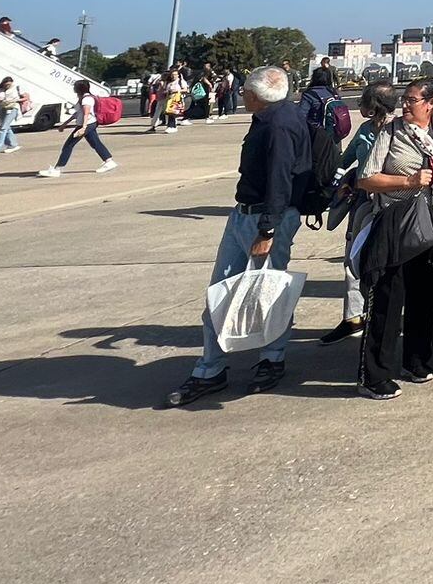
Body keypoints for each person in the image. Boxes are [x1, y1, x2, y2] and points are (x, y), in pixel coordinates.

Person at [166, 67, 312, 405]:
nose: (241, 94)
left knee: (266, 291)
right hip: (248, 213)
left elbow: (280, 179)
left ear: (257, 96)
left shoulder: (278, 126)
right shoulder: (274, 116)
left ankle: (267, 359)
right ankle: (213, 367)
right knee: (223, 291)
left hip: (264, 217)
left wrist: (268, 229)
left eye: (245, 90)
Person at [353, 78, 433, 398]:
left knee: (422, 295)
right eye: (404, 99)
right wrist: (409, 180)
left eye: (412, 100)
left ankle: (415, 360)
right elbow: (366, 179)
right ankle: (373, 375)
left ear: (430, 104)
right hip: (396, 222)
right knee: (387, 299)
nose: (404, 105)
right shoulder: (391, 131)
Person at [323, 78, 399, 345]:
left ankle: (387, 319)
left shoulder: (400, 130)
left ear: (374, 106)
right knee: (353, 260)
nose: (359, 106)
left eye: (364, 101)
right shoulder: (365, 130)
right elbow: (345, 160)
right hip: (364, 203)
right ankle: (353, 317)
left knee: (390, 264)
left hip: (393, 205)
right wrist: (337, 180)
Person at [38, 80, 116, 177]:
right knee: (95, 143)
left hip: (86, 125)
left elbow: (86, 113)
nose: (73, 88)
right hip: (89, 124)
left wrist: (83, 127)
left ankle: (57, 169)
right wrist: (65, 124)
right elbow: (78, 113)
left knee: (68, 145)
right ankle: (109, 161)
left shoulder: (86, 100)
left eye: (75, 87)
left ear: (79, 88)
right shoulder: (84, 98)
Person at [0, 77, 25, 156]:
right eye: (6, 85)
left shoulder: (17, 88)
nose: (8, 86)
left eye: (9, 84)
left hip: (13, 108)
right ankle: (13, 145)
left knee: (3, 128)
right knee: (6, 127)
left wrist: (15, 100)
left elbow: (26, 98)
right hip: (2, 108)